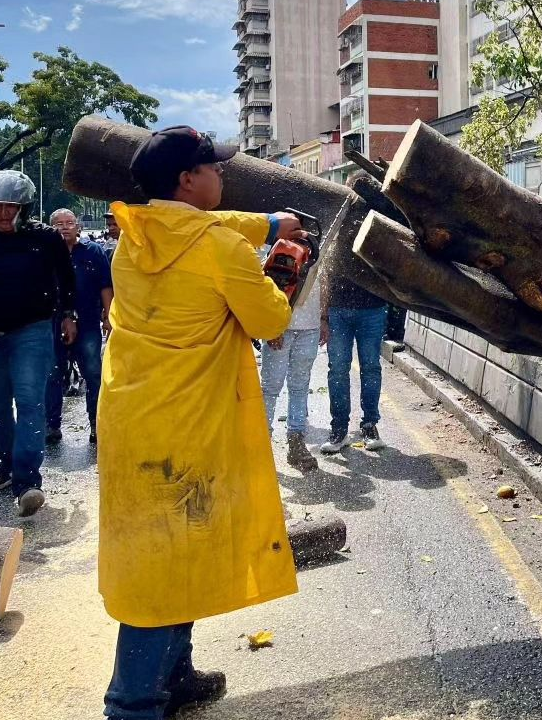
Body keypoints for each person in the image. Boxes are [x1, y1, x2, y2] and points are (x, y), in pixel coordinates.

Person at [97, 126, 305, 719]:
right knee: (159, 568)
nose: (223, 175)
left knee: (167, 550)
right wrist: (285, 266)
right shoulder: (220, 250)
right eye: (213, 168)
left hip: (135, 420)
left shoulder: (133, 238)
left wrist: (268, 225)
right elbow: (269, 320)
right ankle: (131, 704)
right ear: (188, 180)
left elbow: (206, 229)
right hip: (188, 430)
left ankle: (175, 674)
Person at [0, 170, 76, 517]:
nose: (3, 213)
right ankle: (4, 469)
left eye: (10, 207)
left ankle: (27, 482)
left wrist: (69, 314)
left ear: (25, 208)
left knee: (29, 401)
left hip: (32, 328)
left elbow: (66, 277)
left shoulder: (45, 239)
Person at [319, 171, 389, 454]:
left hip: (372, 309)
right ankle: (339, 430)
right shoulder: (338, 216)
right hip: (338, 310)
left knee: (371, 367)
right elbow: (324, 271)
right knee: (338, 370)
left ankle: (370, 425)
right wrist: (323, 315)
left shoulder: (379, 220)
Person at [45, 208, 113, 445]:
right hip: (52, 322)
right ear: (51, 228)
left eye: (69, 223)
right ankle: (51, 426)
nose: (64, 227)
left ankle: (97, 424)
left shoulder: (94, 251)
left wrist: (108, 316)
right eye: (59, 224)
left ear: (78, 227)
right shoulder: (45, 252)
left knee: (93, 373)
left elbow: (106, 286)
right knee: (52, 373)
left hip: (89, 321)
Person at [259, 256, 325, 471]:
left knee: (300, 386)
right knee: (270, 387)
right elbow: (264, 287)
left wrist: (323, 318)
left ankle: (296, 442)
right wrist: (271, 324)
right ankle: (260, 445)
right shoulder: (280, 249)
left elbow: (324, 281)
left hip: (310, 327)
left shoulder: (319, 248)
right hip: (282, 327)